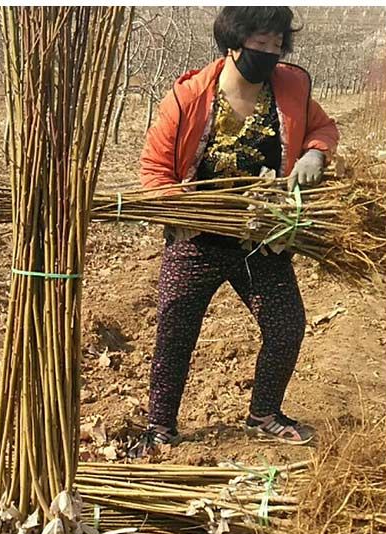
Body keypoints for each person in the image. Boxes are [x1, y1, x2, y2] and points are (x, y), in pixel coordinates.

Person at [139, 6, 339, 447]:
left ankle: (264, 414)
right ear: (233, 43)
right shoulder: (187, 99)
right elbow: (154, 172)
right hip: (197, 240)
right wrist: (185, 213)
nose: (269, 54)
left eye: (276, 45)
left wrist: (314, 153)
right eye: (259, 45)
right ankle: (160, 426)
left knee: (287, 326)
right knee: (175, 331)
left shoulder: (291, 87)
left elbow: (322, 127)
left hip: (260, 240)